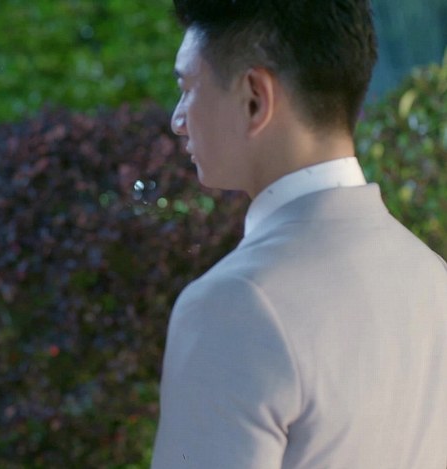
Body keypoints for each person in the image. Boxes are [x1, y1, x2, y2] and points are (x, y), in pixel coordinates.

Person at [152, 1, 447, 468]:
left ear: (254, 98)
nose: (178, 119)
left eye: (188, 88)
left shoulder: (233, 304)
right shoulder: (433, 277)